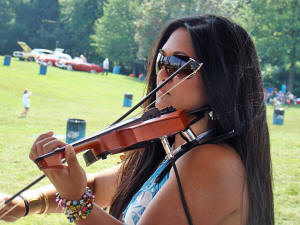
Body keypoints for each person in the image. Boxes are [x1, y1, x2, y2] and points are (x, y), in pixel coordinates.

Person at [0, 15, 274, 225]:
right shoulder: (173, 147)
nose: (162, 73)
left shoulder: (212, 161)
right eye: (161, 60)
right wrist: (25, 203)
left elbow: (83, 192)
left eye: (179, 65)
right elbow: (97, 187)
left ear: (221, 79)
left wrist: (75, 200)